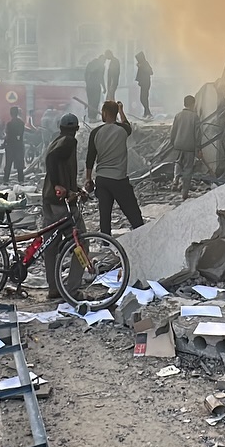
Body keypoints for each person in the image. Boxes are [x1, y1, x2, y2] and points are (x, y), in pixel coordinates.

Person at [40, 113, 86, 300]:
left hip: (49, 200)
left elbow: (57, 165)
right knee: (81, 243)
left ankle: (53, 288)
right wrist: (59, 185)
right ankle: (72, 289)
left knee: (50, 245)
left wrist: (75, 188)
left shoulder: (56, 140)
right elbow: (52, 159)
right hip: (61, 203)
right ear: (76, 129)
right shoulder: (69, 141)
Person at [84, 100, 144, 235]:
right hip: (118, 180)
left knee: (104, 216)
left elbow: (90, 157)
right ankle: (142, 237)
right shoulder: (122, 130)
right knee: (134, 214)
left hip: (102, 180)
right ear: (115, 113)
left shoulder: (95, 132)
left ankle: (105, 243)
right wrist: (121, 110)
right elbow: (126, 124)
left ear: (105, 113)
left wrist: (88, 179)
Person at [168, 94, 201, 200]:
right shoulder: (195, 117)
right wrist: (198, 148)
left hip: (178, 145)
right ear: (193, 104)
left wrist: (173, 142)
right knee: (188, 169)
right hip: (189, 147)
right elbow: (197, 134)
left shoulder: (178, 115)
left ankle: (175, 180)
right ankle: (184, 193)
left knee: (178, 163)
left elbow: (173, 131)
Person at [2, 106, 28, 185]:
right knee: (20, 164)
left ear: (10, 113)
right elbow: (20, 134)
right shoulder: (21, 123)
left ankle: (6, 180)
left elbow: (7, 136)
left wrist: (4, 143)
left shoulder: (9, 124)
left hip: (10, 146)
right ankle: (21, 180)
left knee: (8, 164)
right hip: (19, 146)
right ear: (18, 113)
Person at [83, 55, 106, 121]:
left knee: (90, 101)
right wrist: (104, 87)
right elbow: (101, 78)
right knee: (95, 101)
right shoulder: (101, 66)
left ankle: (91, 117)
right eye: (104, 61)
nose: (104, 62)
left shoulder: (90, 64)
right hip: (96, 86)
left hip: (89, 86)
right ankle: (93, 117)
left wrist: (87, 84)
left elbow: (85, 75)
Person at [135, 52, 154, 118]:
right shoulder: (142, 64)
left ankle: (148, 112)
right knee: (143, 99)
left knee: (143, 98)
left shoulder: (145, 64)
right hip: (143, 84)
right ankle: (146, 112)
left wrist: (141, 67)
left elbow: (151, 72)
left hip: (146, 83)